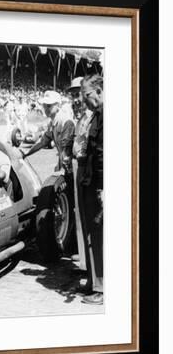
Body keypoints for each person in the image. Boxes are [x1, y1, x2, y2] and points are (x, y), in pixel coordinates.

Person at [79, 74, 104, 305]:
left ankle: (102, 287)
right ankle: (94, 282)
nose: (84, 100)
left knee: (99, 236)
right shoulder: (97, 114)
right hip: (90, 182)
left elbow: (103, 156)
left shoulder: (106, 115)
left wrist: (104, 187)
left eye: (87, 95)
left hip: (98, 185)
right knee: (92, 234)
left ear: (99, 90)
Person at [69, 76, 93, 272]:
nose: (75, 99)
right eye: (72, 95)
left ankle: (92, 268)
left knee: (88, 217)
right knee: (81, 217)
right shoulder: (82, 117)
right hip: (79, 165)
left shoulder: (92, 116)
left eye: (77, 94)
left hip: (87, 168)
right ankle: (86, 264)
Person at [22, 90, 75, 173]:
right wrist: (26, 153)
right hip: (65, 165)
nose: (46, 109)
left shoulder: (65, 121)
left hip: (73, 167)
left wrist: (61, 169)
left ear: (58, 105)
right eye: (44, 106)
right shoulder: (52, 122)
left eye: (49, 106)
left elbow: (67, 151)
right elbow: (42, 142)